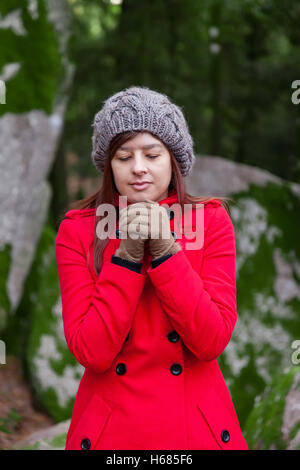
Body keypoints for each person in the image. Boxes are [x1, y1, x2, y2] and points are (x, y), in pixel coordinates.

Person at [55, 86, 249, 450]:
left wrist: (165, 252)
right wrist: (126, 257)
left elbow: (211, 340)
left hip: (196, 431)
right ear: (108, 165)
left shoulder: (211, 222)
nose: (138, 167)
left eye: (152, 154)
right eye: (124, 156)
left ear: (173, 160)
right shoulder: (78, 230)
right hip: (112, 433)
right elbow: (91, 351)